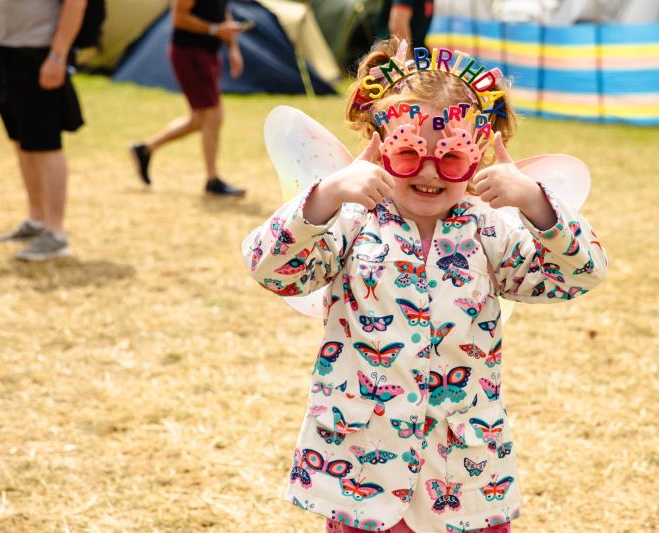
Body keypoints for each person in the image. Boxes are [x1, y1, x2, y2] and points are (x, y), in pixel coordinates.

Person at [242, 38, 607, 532]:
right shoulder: (351, 221)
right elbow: (270, 267)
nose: (430, 171)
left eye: (453, 157)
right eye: (408, 152)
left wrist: (535, 203)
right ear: (377, 143)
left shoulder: (491, 229)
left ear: (479, 153)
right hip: (362, 469)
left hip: (463, 476)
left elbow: (581, 273)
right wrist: (325, 195)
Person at [0, 0, 87, 260]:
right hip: (4, 51)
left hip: (38, 53)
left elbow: (76, 4)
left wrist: (58, 55)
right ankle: (37, 220)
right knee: (21, 141)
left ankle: (55, 232)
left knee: (46, 144)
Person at [130, 0, 246, 197]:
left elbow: (221, 11)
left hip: (208, 52)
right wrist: (214, 29)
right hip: (190, 53)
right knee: (213, 115)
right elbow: (178, 18)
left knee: (199, 119)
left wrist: (233, 47)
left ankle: (145, 148)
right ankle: (212, 179)